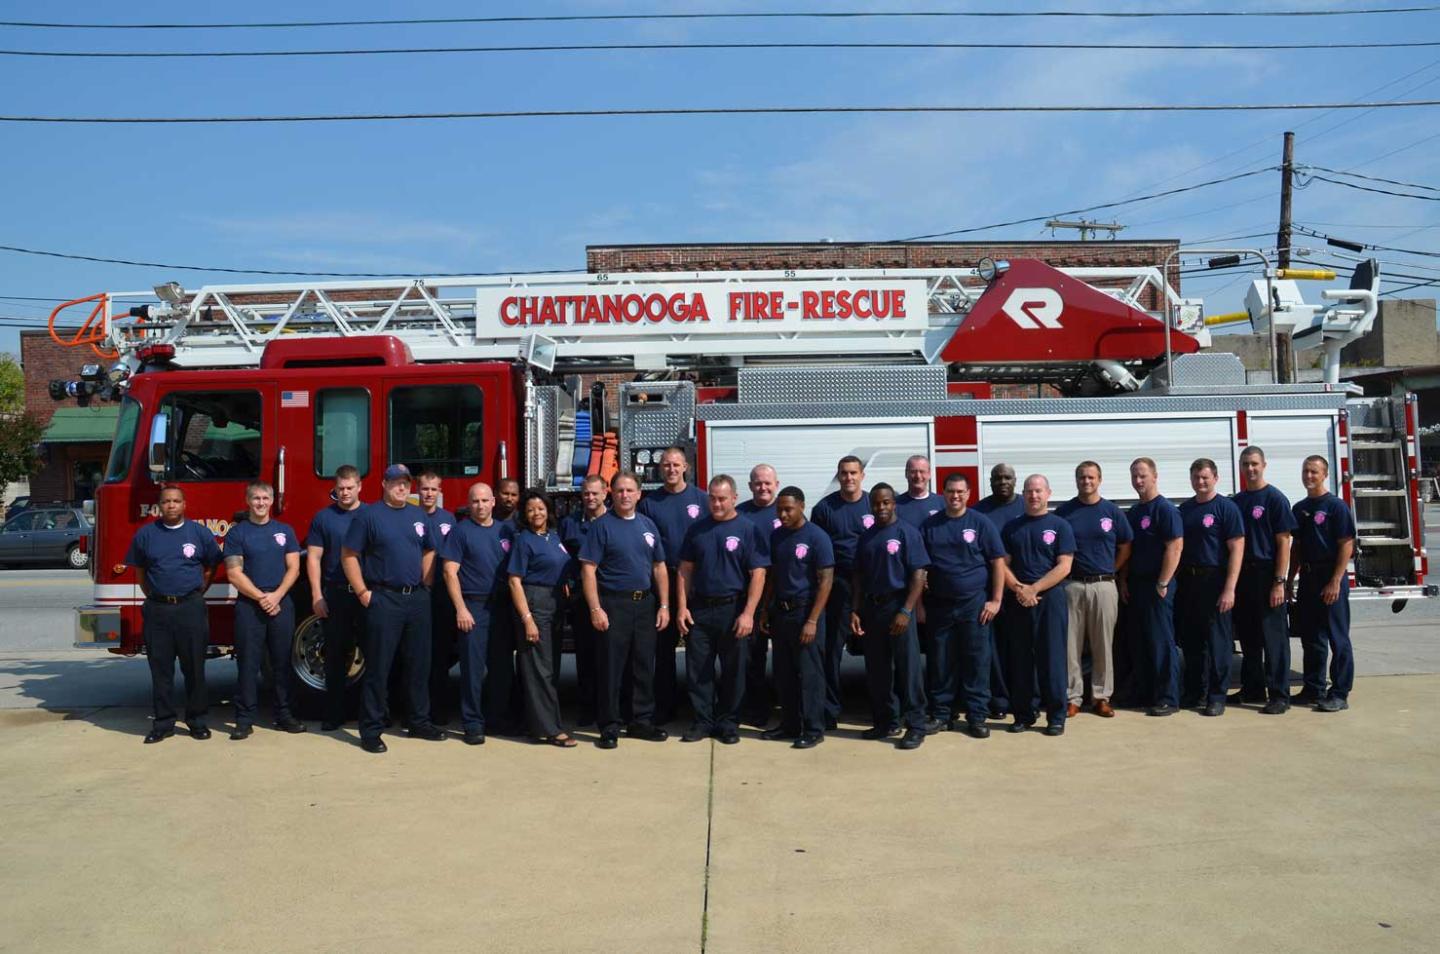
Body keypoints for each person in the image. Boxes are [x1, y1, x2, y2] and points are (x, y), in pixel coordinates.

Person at [341, 463, 446, 753]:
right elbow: (349, 554)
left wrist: (425, 584)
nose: (402, 488)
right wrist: (363, 592)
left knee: (419, 665)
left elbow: (429, 548)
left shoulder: (418, 515)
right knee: (379, 667)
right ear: (384, 485)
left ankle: (419, 722)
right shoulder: (368, 516)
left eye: (406, 483)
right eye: (396, 483)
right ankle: (372, 730)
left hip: (416, 600)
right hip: (383, 599)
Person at [579, 471, 672, 749]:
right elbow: (588, 570)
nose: (625, 495)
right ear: (611, 493)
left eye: (630, 490)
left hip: (644, 604)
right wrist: (595, 608)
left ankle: (641, 720)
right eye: (619, 490)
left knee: (643, 665)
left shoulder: (647, 525)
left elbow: (659, 567)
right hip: (613, 604)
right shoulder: (601, 526)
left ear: (639, 494)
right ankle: (609, 724)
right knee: (611, 666)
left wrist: (664, 604)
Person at [676, 475, 770, 744]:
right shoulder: (697, 530)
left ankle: (729, 723)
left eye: (722, 499)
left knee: (734, 670)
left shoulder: (747, 529)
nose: (716, 504)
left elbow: (758, 574)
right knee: (699, 670)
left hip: (733, 609)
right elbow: (684, 571)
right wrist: (682, 608)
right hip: (701, 609)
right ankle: (703, 721)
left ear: (734, 499)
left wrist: (749, 613)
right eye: (712, 498)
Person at [126, 485, 221, 744]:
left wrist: (198, 590)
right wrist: (155, 595)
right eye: (166, 501)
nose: (171, 505)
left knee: (194, 669)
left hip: (190, 607)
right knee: (161, 670)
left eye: (176, 501)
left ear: (184, 504)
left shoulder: (199, 533)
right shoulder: (146, 535)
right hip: (158, 610)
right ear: (159, 506)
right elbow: (141, 572)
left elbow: (212, 564)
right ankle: (163, 723)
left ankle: (197, 721)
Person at [920, 472, 1005, 739]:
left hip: (974, 604)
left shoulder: (980, 523)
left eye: (960, 492)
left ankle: (977, 716)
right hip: (939, 606)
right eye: (950, 491)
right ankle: (941, 715)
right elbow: (920, 569)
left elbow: (997, 562)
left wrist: (996, 600)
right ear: (942, 493)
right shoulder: (930, 526)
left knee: (976, 661)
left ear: (968, 494)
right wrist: (921, 605)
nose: (955, 496)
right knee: (940, 661)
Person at [850, 483, 930, 750]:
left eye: (886, 502)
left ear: (894, 503)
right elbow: (859, 577)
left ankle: (916, 725)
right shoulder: (867, 536)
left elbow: (919, 575)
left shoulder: (907, 533)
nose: (881, 507)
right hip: (872, 610)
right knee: (878, 670)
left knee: (908, 670)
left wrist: (906, 610)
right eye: (876, 503)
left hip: (898, 607)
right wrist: (856, 609)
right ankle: (887, 721)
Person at [224, 481, 304, 740]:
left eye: (265, 498)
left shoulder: (285, 531)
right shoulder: (237, 534)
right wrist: (261, 597)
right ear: (247, 501)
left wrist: (277, 595)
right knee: (248, 663)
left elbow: (294, 568)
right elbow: (234, 573)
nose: (260, 503)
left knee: (282, 663)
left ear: (272, 501)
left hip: (281, 603)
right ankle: (244, 720)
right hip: (250, 605)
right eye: (255, 498)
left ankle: (284, 716)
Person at [1055, 461, 1133, 719]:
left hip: (1103, 586)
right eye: (1081, 477)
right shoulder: (1065, 512)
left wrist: (1111, 569)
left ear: (1099, 479)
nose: (1086, 482)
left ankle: (1101, 697)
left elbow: (1125, 545)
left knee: (1103, 644)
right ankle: (1072, 697)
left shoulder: (1111, 511)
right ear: (1076, 480)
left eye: (1090, 477)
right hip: (1072, 586)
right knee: (1070, 646)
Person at [758, 486, 834, 748]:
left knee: (810, 674)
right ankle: (790, 724)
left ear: (802, 506)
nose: (783, 514)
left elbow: (825, 581)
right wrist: (766, 609)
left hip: (805, 612)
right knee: (784, 673)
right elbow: (772, 577)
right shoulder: (777, 536)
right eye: (780, 509)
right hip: (782, 612)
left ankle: (813, 728)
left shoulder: (817, 537)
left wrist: (812, 620)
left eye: (788, 509)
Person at [999, 475, 1075, 737]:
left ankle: (1056, 716)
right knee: (1020, 659)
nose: (1034, 496)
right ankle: (1023, 714)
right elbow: (1003, 565)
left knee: (1052, 658)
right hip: (1019, 598)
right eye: (1029, 492)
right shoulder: (1012, 528)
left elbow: (1065, 565)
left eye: (1039, 491)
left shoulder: (1060, 526)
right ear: (1024, 494)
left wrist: (1035, 588)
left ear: (1048, 494)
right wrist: (1020, 589)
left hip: (1049, 599)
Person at [637, 447, 707, 725]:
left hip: (694, 584)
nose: (671, 469)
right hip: (662, 582)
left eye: (676, 465)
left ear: (686, 467)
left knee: (697, 649)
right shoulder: (649, 503)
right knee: (662, 649)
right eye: (666, 465)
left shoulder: (701, 499)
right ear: (660, 468)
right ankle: (664, 706)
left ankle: (699, 707)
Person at [441, 482, 513, 745]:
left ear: (493, 502)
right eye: (475, 501)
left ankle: (497, 719)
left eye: (485, 501)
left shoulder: (506, 530)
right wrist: (461, 608)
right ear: (469, 504)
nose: (480, 506)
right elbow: (449, 572)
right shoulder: (460, 533)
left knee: (502, 668)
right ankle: (472, 723)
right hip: (474, 608)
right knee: (472, 670)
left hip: (502, 608)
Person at [1176, 458, 1245, 716]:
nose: (1200, 482)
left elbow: (1237, 548)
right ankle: (1195, 692)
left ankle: (1217, 696)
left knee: (1218, 643)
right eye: (1196, 477)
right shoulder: (1185, 510)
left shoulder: (1226, 508)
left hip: (1216, 581)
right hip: (1190, 583)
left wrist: (1230, 588)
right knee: (1193, 642)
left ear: (1215, 478)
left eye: (1205, 477)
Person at [507, 490, 577, 746]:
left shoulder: (552, 537)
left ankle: (538, 724)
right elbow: (514, 581)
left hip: (554, 604)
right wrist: (527, 619)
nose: (537, 513)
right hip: (535, 604)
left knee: (549, 668)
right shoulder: (523, 541)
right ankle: (549, 730)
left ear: (549, 510)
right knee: (540, 671)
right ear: (524, 515)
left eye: (541, 508)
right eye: (531, 510)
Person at [1231, 447, 1297, 714]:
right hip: (1244, 576)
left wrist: (1280, 581)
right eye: (1246, 464)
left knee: (1274, 640)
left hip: (1267, 574)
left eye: (1255, 464)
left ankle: (1279, 694)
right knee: (1249, 639)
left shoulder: (1275, 499)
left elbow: (1284, 542)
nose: (1250, 469)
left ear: (1264, 465)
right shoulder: (1237, 500)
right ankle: (1253, 687)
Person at [1289, 455, 1356, 712]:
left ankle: (1339, 692)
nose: (1309, 476)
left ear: (1325, 474)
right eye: (1306, 471)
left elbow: (1346, 545)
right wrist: (1289, 580)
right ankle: (1313, 688)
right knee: (1311, 637)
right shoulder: (1300, 508)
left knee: (1337, 638)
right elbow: (1297, 547)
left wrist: (1335, 581)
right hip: (1308, 578)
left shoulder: (1336, 507)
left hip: (1330, 577)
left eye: (1314, 472)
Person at [1120, 457, 1184, 717]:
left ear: (1155, 476)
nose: (1138, 481)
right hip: (1136, 585)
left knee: (1161, 642)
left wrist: (1163, 582)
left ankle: (1168, 698)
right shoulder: (1134, 512)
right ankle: (1145, 693)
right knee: (1140, 642)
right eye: (1134, 476)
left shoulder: (1165, 510)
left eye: (1143, 476)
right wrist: (1123, 580)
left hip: (1159, 586)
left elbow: (1175, 547)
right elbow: (1128, 549)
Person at [811, 455, 871, 729]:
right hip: (837, 586)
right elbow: (816, 550)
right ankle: (830, 710)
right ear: (839, 476)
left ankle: (880, 708)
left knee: (878, 651)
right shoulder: (825, 508)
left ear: (862, 475)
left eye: (853, 473)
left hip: (872, 586)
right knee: (831, 651)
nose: (849, 478)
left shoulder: (875, 504)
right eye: (844, 473)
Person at [305, 465, 366, 731]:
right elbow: (314, 558)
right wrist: (317, 595)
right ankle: (334, 714)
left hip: (366, 595)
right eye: (340, 488)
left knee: (375, 655)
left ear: (359, 487)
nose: (345, 493)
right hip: (336, 593)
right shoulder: (323, 518)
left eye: (349, 487)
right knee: (335, 657)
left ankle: (375, 713)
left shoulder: (372, 515)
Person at [973, 462, 1024, 718]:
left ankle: (1025, 699)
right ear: (990, 481)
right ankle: (1000, 701)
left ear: (1015, 480)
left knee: (1021, 648)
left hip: (1022, 593)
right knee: (993, 651)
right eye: (997, 478)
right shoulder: (979, 511)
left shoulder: (1027, 505)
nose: (1002, 482)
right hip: (989, 592)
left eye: (1007, 477)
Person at [560, 474, 608, 726]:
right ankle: (587, 708)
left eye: (595, 493)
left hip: (610, 596)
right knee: (586, 654)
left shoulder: (615, 520)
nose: (590, 497)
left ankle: (611, 707)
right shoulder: (569, 523)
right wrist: (566, 581)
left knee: (611, 655)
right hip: (581, 596)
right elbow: (562, 556)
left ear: (605, 493)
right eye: (586, 493)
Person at [737, 463, 781, 728]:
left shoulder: (787, 510)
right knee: (752, 657)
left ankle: (789, 705)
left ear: (776, 484)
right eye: (757, 483)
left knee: (788, 658)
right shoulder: (740, 514)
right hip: (752, 595)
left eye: (767, 483)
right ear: (750, 485)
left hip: (783, 595)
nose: (763, 487)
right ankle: (755, 708)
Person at [416, 471, 459, 725]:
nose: (429, 494)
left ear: (439, 491)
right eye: (424, 489)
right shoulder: (410, 516)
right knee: (416, 654)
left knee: (441, 654)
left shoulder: (449, 520)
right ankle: (415, 709)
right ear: (417, 490)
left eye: (433, 489)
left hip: (442, 595)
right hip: (417, 593)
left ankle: (438, 710)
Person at [895, 454, 943, 526]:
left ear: (929, 474)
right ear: (906, 474)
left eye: (922, 471)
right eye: (913, 472)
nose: (918, 476)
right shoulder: (895, 505)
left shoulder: (942, 504)